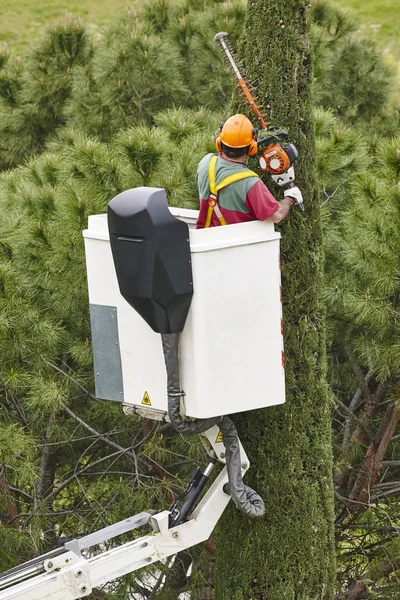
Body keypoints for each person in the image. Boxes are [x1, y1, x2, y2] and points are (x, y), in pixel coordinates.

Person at [196, 114, 302, 229]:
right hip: (237, 245)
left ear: (219, 143)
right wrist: (290, 198)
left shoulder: (206, 162)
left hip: (206, 239)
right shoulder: (250, 183)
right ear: (252, 148)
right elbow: (277, 215)